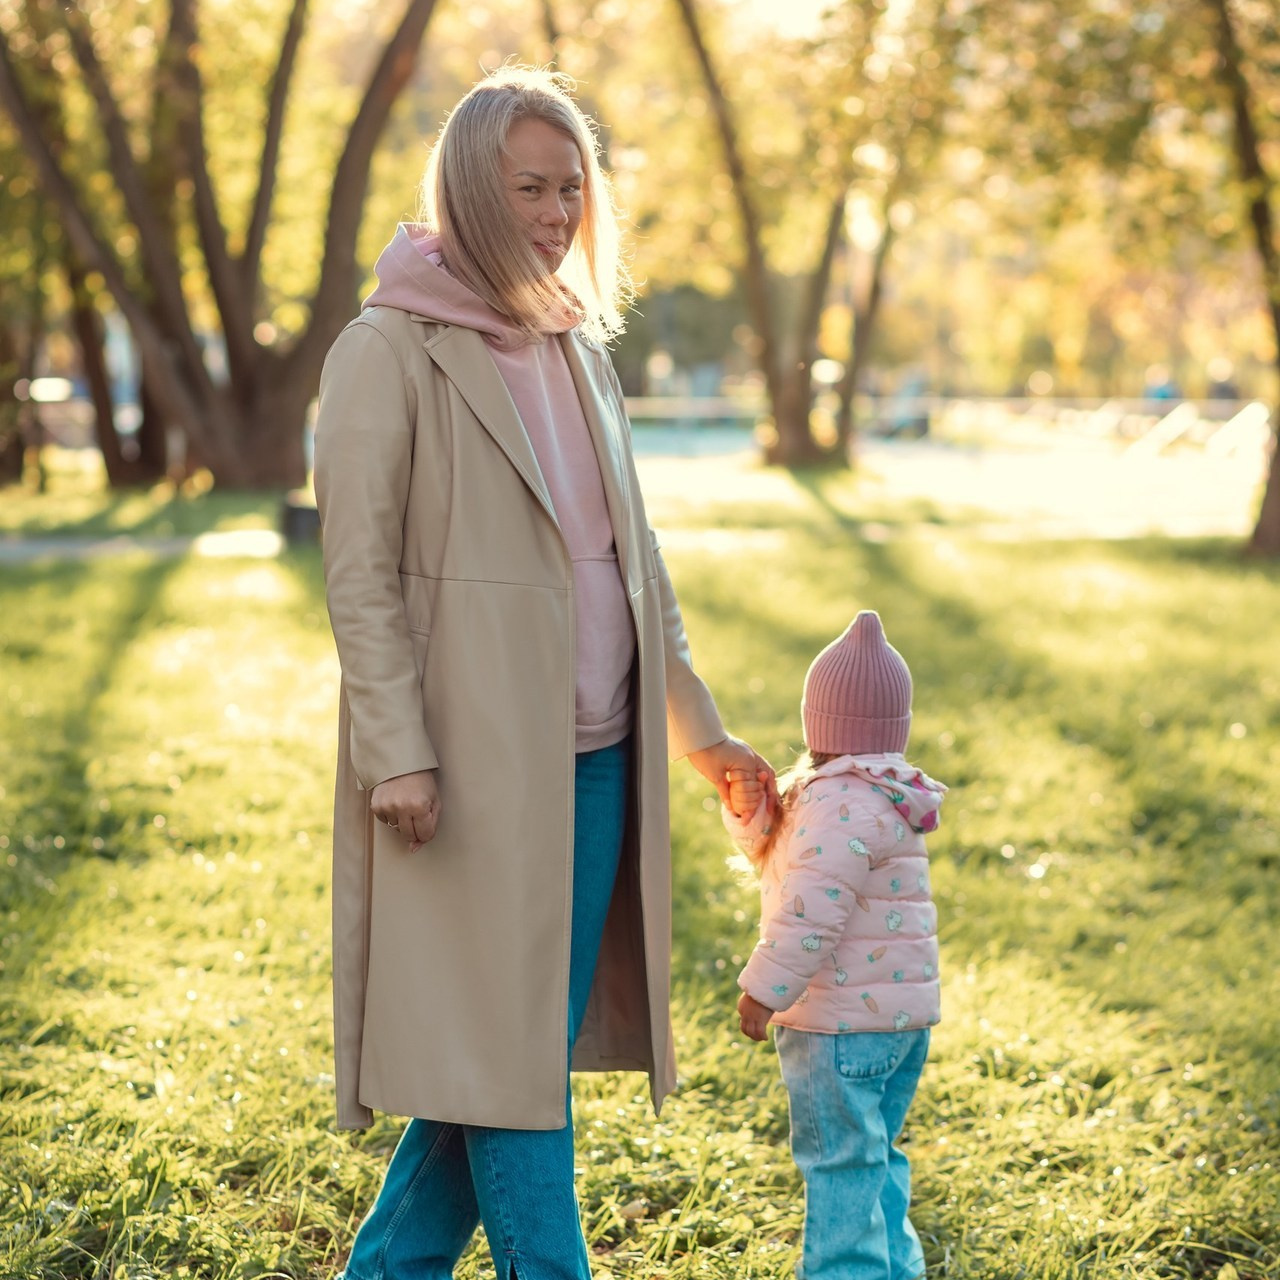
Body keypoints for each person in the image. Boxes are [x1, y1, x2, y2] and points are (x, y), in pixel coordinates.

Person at [312, 66, 772, 1280]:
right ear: (471, 186)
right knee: (512, 1070)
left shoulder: (578, 348)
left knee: (496, 1064)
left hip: (597, 762)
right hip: (467, 773)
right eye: (530, 186)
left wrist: (702, 735)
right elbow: (357, 574)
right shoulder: (388, 351)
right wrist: (398, 751)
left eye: (571, 186)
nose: (558, 211)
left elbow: (635, 565)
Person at [723, 611, 946, 1280]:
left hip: (838, 1029)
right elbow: (786, 859)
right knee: (873, 1153)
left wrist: (764, 989)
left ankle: (847, 1272)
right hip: (898, 1025)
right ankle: (896, 1269)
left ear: (816, 720)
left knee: (840, 1163)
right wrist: (750, 813)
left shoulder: (834, 802)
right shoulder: (882, 794)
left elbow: (808, 910)